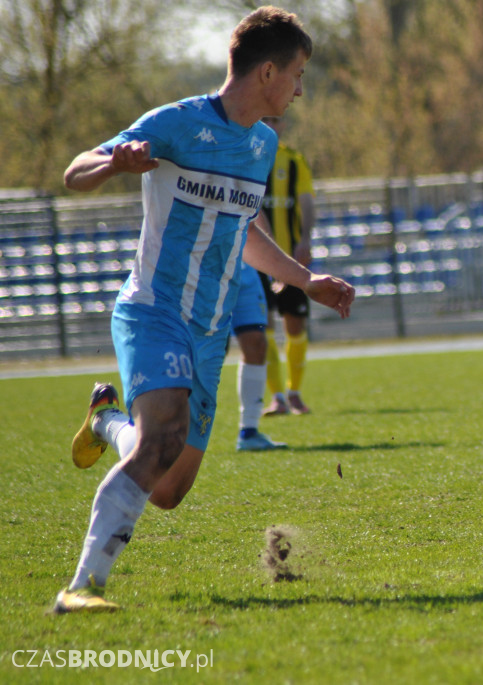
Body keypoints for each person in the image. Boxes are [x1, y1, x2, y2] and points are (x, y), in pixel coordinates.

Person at [54, 6, 354, 613]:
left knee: (166, 488)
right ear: (267, 71)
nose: (300, 89)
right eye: (297, 75)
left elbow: (244, 232)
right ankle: (81, 588)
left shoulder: (263, 143)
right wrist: (115, 161)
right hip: (153, 309)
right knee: (161, 439)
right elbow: (73, 173)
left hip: (208, 330)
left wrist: (305, 280)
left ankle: (107, 421)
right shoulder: (177, 123)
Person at [259, 115, 316, 416]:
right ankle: (277, 397)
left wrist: (305, 238)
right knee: (262, 325)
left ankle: (294, 392)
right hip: (256, 260)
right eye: (265, 119)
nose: (271, 124)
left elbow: (306, 201)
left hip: (292, 258)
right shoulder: (247, 155)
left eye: (276, 120)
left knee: (295, 323)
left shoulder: (293, 161)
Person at [233, 260, 287, 451]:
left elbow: (255, 229)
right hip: (205, 267)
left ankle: (249, 431)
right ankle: (183, 431)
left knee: (256, 343)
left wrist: (277, 265)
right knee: (206, 351)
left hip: (244, 267)